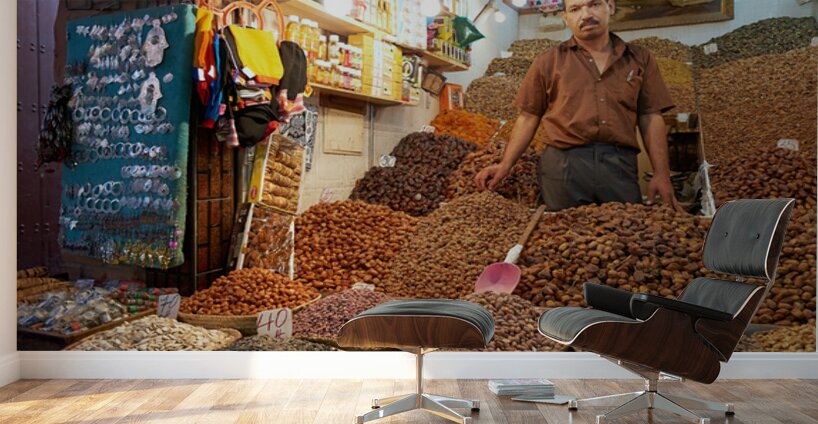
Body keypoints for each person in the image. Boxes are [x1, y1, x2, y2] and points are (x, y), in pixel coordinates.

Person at [474, 0, 684, 212]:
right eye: (575, 9)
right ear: (565, 18)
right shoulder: (547, 62)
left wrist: (661, 173)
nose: (585, 15)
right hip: (563, 166)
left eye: (594, 4)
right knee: (563, 234)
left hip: (619, 164)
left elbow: (650, 116)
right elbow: (528, 117)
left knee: (624, 233)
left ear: (610, 7)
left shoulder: (640, 58)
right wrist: (505, 164)